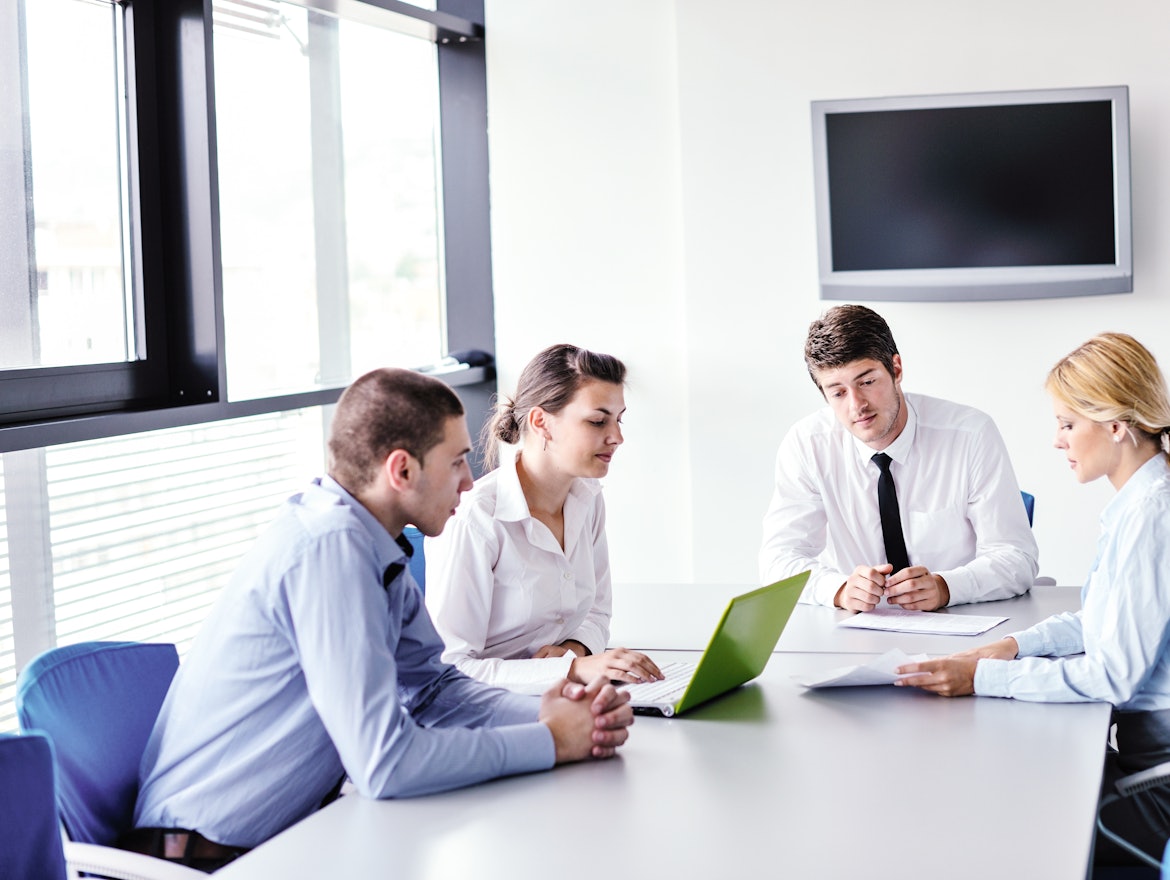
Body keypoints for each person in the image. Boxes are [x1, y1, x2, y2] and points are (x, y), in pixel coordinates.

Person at [126, 368, 634, 871]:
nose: (469, 481)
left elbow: (435, 691)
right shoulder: (332, 552)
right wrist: (549, 741)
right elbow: (386, 764)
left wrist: (568, 716)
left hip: (290, 835)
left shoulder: (374, 546)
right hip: (207, 858)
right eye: (457, 461)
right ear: (402, 470)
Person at [896, 332, 1170, 866]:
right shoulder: (1138, 504)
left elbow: (1115, 675)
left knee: (1014, 827)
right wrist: (1012, 647)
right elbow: (1099, 619)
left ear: (1116, 425)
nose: (1058, 441)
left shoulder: (1151, 517)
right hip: (1144, 753)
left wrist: (983, 679)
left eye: (1068, 424)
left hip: (1156, 777)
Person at [759, 304, 1038, 612]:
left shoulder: (970, 434)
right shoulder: (807, 445)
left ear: (896, 369)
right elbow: (777, 560)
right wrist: (837, 589)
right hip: (855, 630)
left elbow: (1016, 557)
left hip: (961, 623)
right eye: (838, 393)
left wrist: (946, 587)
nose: (857, 406)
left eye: (867, 382)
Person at [425, 344, 662, 695]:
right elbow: (450, 669)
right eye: (598, 421)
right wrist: (572, 669)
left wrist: (576, 650)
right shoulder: (476, 518)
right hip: (486, 708)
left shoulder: (589, 497)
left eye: (618, 419)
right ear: (541, 423)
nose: (617, 437)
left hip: (560, 697)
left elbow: (597, 611)